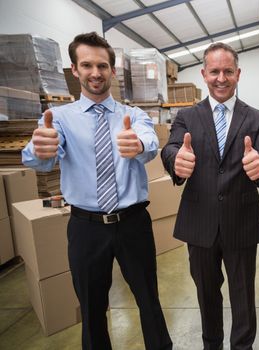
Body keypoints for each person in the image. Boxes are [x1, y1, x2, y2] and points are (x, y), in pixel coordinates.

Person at [22, 32, 172, 350]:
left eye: (102, 65)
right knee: (91, 310)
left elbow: (149, 144)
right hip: (86, 228)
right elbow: (39, 156)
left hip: (133, 224)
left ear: (112, 71)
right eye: (86, 65)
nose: (95, 73)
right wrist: (41, 149)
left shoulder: (134, 116)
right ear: (75, 70)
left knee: (149, 300)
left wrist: (139, 144)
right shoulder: (58, 119)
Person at [161, 42, 259, 350]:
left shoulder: (256, 118)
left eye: (228, 71)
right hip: (199, 224)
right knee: (206, 293)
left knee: (243, 295)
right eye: (214, 71)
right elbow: (172, 148)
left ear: (238, 73)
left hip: (241, 222)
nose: (221, 78)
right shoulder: (187, 117)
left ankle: (243, 347)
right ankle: (211, 344)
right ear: (204, 74)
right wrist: (176, 160)